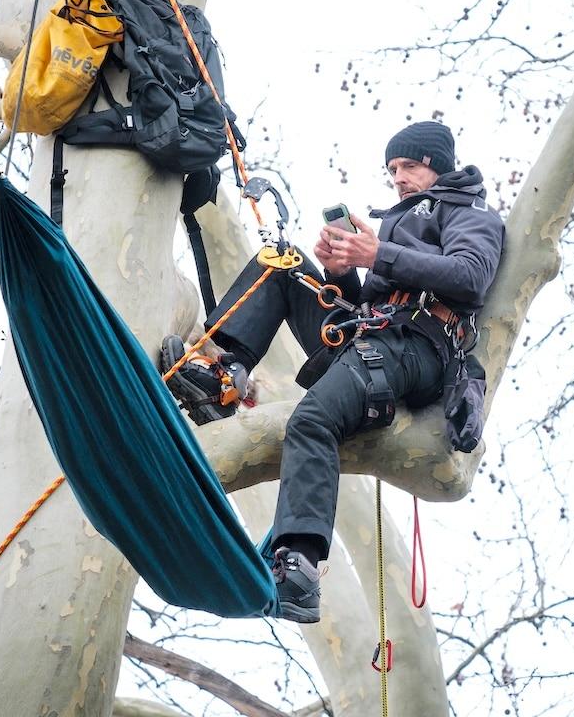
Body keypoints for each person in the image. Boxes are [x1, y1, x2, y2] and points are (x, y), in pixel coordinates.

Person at [160, 121, 505, 622]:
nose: (399, 178)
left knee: (311, 420)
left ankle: (299, 567)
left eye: (409, 166)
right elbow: (368, 303)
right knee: (283, 261)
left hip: (416, 348)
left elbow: (470, 276)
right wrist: (343, 269)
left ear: (436, 164)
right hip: (371, 334)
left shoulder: (468, 210)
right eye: (392, 169)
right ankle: (224, 375)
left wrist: (376, 252)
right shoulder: (398, 222)